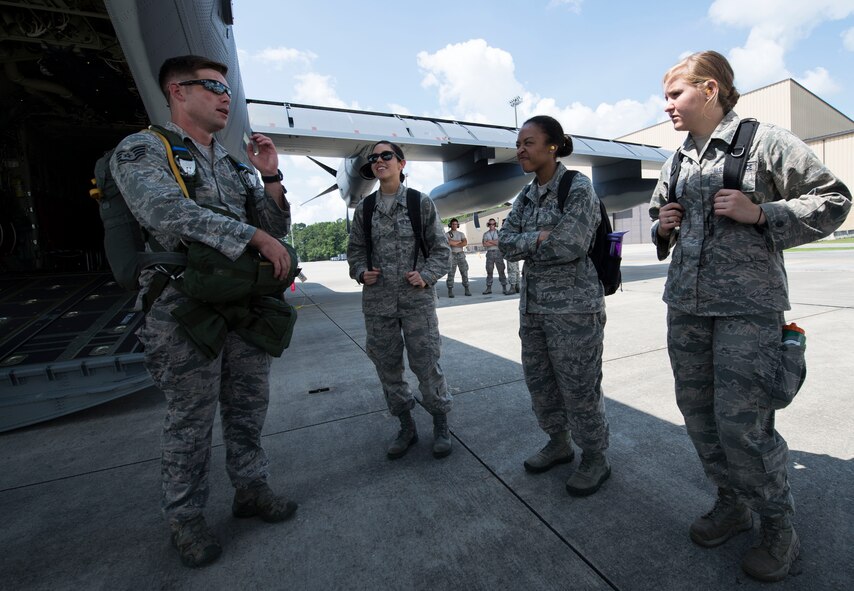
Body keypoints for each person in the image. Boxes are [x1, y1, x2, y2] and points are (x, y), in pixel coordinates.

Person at [650, 50, 851, 582]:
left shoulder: (765, 141)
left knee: (745, 427)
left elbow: (833, 198)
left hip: (747, 310)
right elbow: (659, 214)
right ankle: (731, 504)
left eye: (675, 94)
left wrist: (763, 212)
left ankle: (778, 528)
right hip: (687, 309)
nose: (666, 104)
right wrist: (663, 223)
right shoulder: (677, 159)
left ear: (710, 90)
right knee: (699, 416)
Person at [110, 55, 298, 568]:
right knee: (190, 418)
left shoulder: (235, 163)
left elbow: (275, 230)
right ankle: (186, 518)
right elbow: (163, 211)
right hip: (180, 305)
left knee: (248, 403)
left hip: (239, 303)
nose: (226, 96)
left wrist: (271, 177)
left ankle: (251, 489)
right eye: (214, 85)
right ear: (177, 91)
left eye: (227, 87)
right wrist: (251, 235)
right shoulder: (144, 149)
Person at [499, 115, 611, 496]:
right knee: (541, 384)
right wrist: (540, 237)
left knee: (579, 387)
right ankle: (559, 443)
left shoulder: (577, 187)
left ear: (552, 145)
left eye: (528, 142)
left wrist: (530, 242)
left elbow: (571, 244)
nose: (520, 150)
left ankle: (595, 456)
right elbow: (504, 243)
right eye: (518, 144)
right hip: (533, 310)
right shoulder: (526, 196)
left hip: (573, 311)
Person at [347, 141, 454, 459]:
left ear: (401, 163)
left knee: (426, 365)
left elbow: (441, 249)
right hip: (378, 304)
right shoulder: (364, 210)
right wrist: (360, 271)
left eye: (386, 156)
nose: (379, 161)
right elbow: (355, 252)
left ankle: (440, 424)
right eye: (374, 158)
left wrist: (426, 275)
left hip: (416, 302)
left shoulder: (420, 203)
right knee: (388, 368)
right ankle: (406, 426)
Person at [481, 218, 510, 294]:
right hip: (490, 253)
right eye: (490, 224)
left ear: (495, 224)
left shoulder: (499, 233)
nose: (492, 225)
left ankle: (504, 288)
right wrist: (495, 242)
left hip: (498, 253)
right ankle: (488, 288)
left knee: (501, 271)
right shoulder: (486, 234)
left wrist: (490, 241)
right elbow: (484, 244)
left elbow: (499, 243)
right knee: (489, 271)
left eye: (493, 224)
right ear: (488, 225)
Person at [446, 218, 471, 297]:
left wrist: (453, 242)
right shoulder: (447, 234)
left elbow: (465, 243)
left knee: (464, 272)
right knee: (451, 273)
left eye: (456, 224)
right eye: (453, 224)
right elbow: (449, 242)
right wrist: (459, 242)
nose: (454, 225)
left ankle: (466, 288)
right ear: (450, 225)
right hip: (452, 255)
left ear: (458, 225)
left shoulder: (461, 234)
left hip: (461, 254)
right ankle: (450, 290)